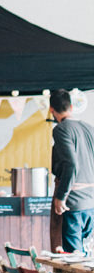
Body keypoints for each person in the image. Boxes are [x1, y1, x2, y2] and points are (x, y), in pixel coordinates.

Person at [49, 89, 94, 253]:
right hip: (90, 202)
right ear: (71, 107)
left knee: (72, 259)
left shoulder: (61, 129)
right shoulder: (89, 128)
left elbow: (71, 164)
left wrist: (61, 197)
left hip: (73, 203)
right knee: (86, 257)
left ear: (51, 110)